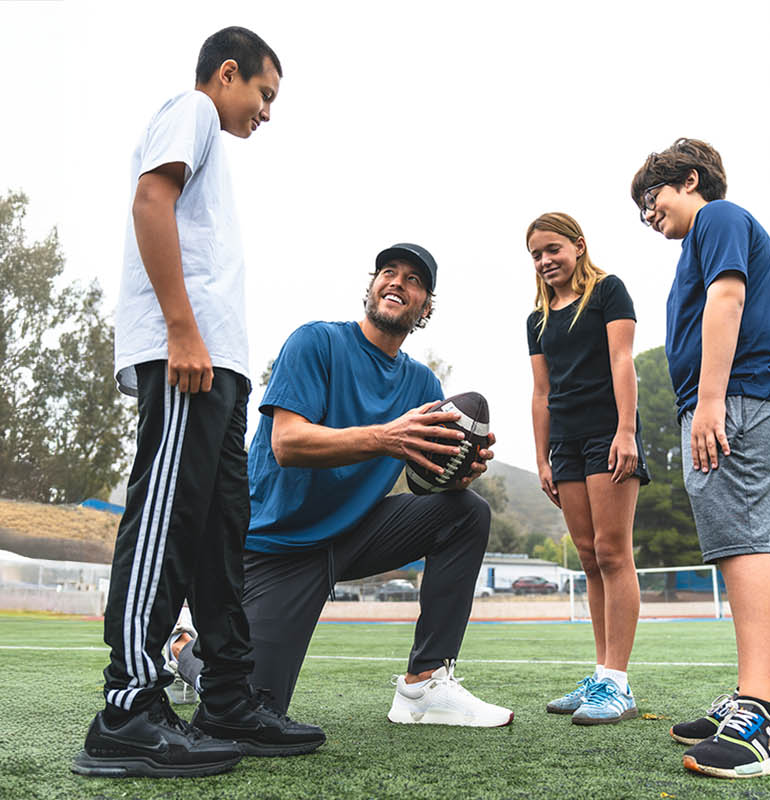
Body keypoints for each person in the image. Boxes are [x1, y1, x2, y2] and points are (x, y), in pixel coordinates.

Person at [75, 26, 325, 780]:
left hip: (221, 367)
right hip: (186, 358)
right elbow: (151, 201)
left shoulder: (212, 137)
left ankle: (225, 699)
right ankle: (126, 706)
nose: (268, 112)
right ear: (227, 74)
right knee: (167, 515)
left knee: (220, 529)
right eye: (265, 94)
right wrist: (183, 330)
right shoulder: (191, 109)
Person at [166, 242, 513, 731]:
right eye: (388, 272)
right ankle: (182, 648)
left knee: (465, 512)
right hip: (276, 544)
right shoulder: (316, 343)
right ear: (370, 287)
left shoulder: (423, 388)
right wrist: (388, 437)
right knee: (252, 705)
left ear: (426, 307)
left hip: (353, 534)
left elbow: (422, 486)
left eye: (414, 280)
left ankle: (424, 684)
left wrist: (456, 472)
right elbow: (288, 444)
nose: (397, 281)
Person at [632, 138, 770, 779]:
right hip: (733, 399)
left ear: (691, 180)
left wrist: (709, 401)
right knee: (745, 547)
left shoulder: (719, 218)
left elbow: (728, 300)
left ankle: (764, 718)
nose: (649, 214)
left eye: (653, 198)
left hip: (735, 399)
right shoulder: (697, 241)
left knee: (747, 546)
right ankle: (752, 698)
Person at [525, 212, 650, 725]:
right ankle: (600, 674)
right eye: (535, 254)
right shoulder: (536, 320)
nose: (544, 260)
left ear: (577, 246)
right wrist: (542, 458)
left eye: (552, 248)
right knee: (588, 556)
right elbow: (542, 393)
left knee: (613, 552)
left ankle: (618, 684)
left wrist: (626, 432)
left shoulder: (608, 292)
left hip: (608, 434)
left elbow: (623, 361)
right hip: (566, 446)